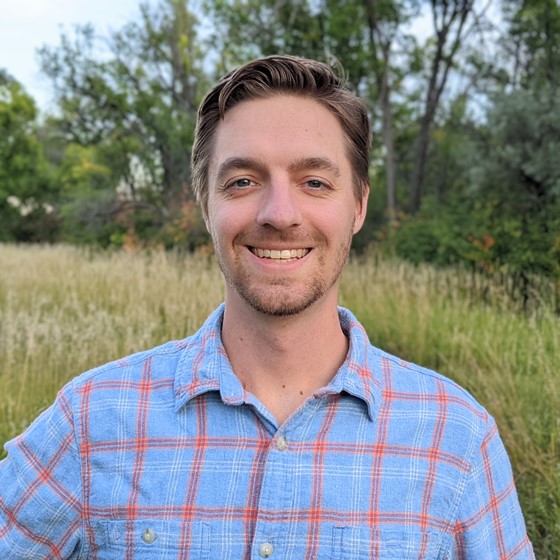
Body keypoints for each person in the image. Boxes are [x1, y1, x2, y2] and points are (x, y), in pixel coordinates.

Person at [0, 55, 533, 559]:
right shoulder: (92, 421)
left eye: (315, 182)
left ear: (359, 206)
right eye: (243, 181)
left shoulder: (456, 438)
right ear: (207, 207)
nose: (280, 213)